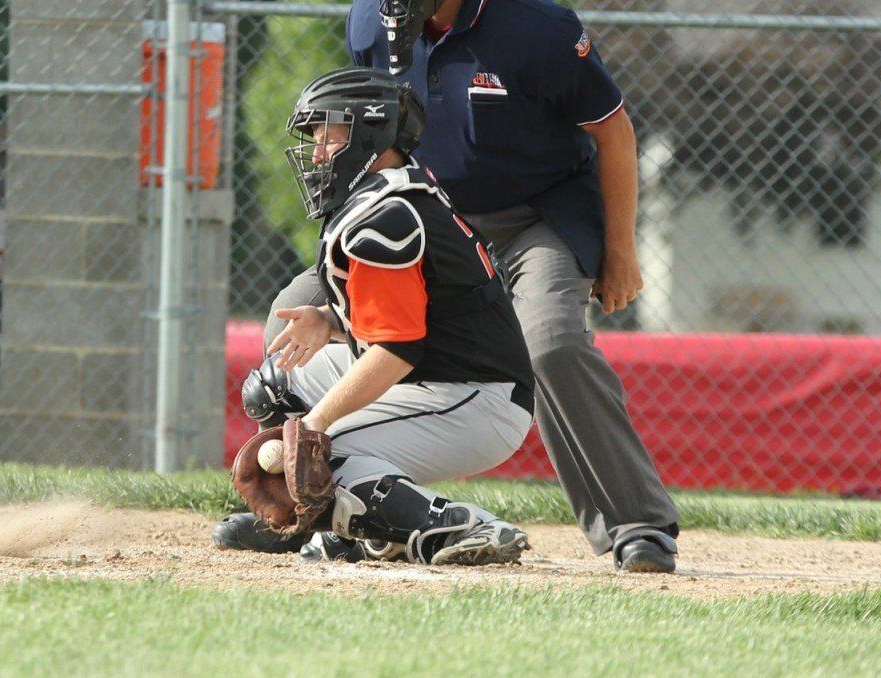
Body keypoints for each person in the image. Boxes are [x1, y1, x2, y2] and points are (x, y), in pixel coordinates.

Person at [217, 0, 681, 573]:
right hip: (428, 218)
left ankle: (635, 523)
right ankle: (306, 512)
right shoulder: (371, 19)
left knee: (551, 341)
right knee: (293, 312)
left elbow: (612, 132)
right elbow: (369, 123)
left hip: (535, 219)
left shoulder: (537, 27)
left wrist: (620, 249)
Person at [234, 67, 538, 565]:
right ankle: (340, 525)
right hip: (433, 371)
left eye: (328, 135)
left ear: (369, 135)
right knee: (274, 387)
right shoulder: (387, 195)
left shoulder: (385, 217)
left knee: (325, 452)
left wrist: (316, 426)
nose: (316, 153)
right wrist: (331, 321)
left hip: (472, 393)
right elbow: (420, 311)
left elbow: (397, 351)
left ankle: (463, 526)